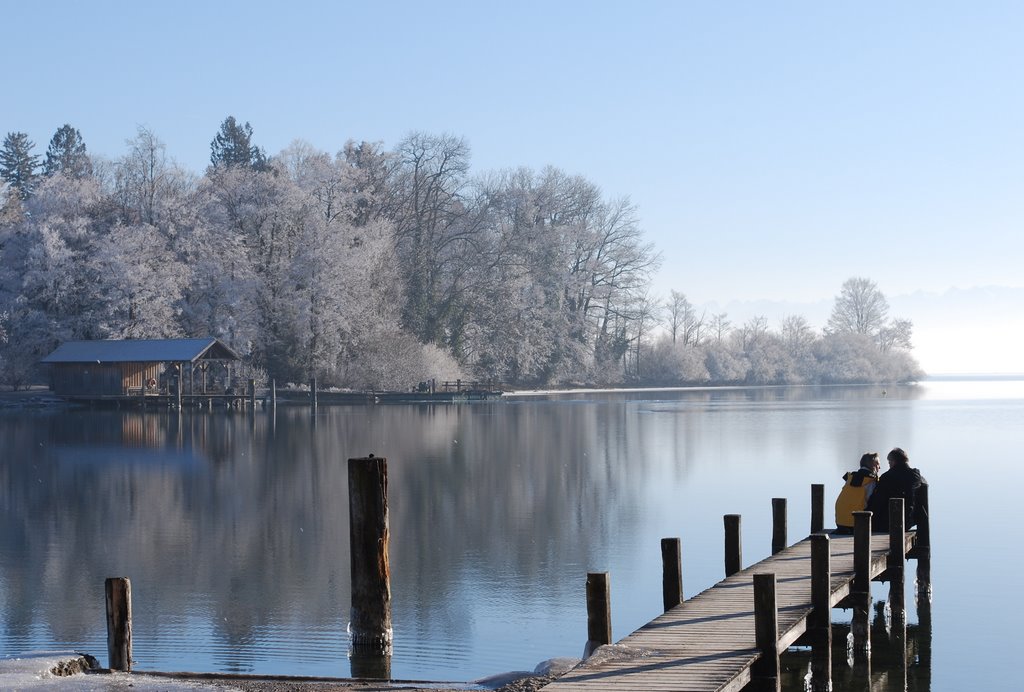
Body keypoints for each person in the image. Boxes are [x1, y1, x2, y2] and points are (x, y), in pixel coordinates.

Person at [866, 447, 927, 532]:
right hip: (908, 521)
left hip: (888, 523)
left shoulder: (887, 477)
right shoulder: (916, 476)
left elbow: (877, 502)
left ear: (893, 462)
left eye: (889, 463)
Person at [834, 452, 880, 533]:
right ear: (874, 466)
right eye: (878, 464)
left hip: (840, 522)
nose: (880, 467)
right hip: (857, 523)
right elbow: (873, 502)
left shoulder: (850, 478)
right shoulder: (870, 481)